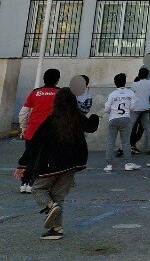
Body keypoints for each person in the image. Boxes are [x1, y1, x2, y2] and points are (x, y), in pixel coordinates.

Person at [14, 87, 99, 241]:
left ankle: (49, 206)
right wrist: (95, 117)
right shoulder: (77, 117)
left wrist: (22, 164)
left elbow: (35, 143)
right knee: (58, 195)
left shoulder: (51, 119)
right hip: (74, 163)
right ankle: (56, 229)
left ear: (57, 102)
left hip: (53, 162)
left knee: (38, 189)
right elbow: (91, 127)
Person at [18, 68, 61, 193]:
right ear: (57, 80)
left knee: (30, 156)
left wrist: (23, 127)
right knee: (44, 158)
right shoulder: (60, 93)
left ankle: (24, 183)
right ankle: (33, 183)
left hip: (32, 130)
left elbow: (23, 112)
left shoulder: (35, 92)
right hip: (50, 132)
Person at [103, 73, 139, 172]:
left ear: (115, 83)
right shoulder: (130, 93)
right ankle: (128, 163)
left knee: (111, 142)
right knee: (126, 142)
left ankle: (109, 165)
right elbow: (132, 107)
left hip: (113, 119)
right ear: (125, 82)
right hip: (125, 118)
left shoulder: (112, 94)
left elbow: (106, 109)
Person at [129, 68, 150, 155]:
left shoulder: (134, 84)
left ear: (138, 74)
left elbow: (131, 96)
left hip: (136, 108)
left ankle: (123, 147)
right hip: (146, 107)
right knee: (147, 127)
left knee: (130, 127)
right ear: (147, 75)